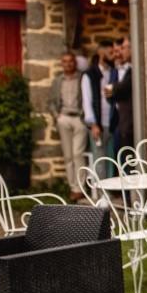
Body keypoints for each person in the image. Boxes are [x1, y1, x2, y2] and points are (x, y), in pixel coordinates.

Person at [49, 52, 87, 200]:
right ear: (61, 64)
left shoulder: (82, 78)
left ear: (75, 63)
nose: (68, 64)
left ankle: (81, 187)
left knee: (78, 153)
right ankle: (73, 187)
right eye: (65, 61)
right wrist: (56, 115)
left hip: (79, 118)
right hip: (63, 118)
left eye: (71, 61)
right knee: (68, 156)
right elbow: (51, 101)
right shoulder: (58, 80)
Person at [81, 40, 115, 176]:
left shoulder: (113, 72)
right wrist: (93, 123)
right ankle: (103, 194)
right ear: (101, 52)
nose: (113, 55)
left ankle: (114, 190)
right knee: (100, 158)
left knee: (112, 158)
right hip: (98, 123)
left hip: (112, 122)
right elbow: (87, 100)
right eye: (110, 52)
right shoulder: (89, 74)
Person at [107, 37, 134, 154]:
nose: (120, 53)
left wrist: (113, 89)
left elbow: (123, 87)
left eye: (123, 48)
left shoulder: (134, 70)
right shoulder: (115, 70)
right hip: (119, 120)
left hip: (131, 123)